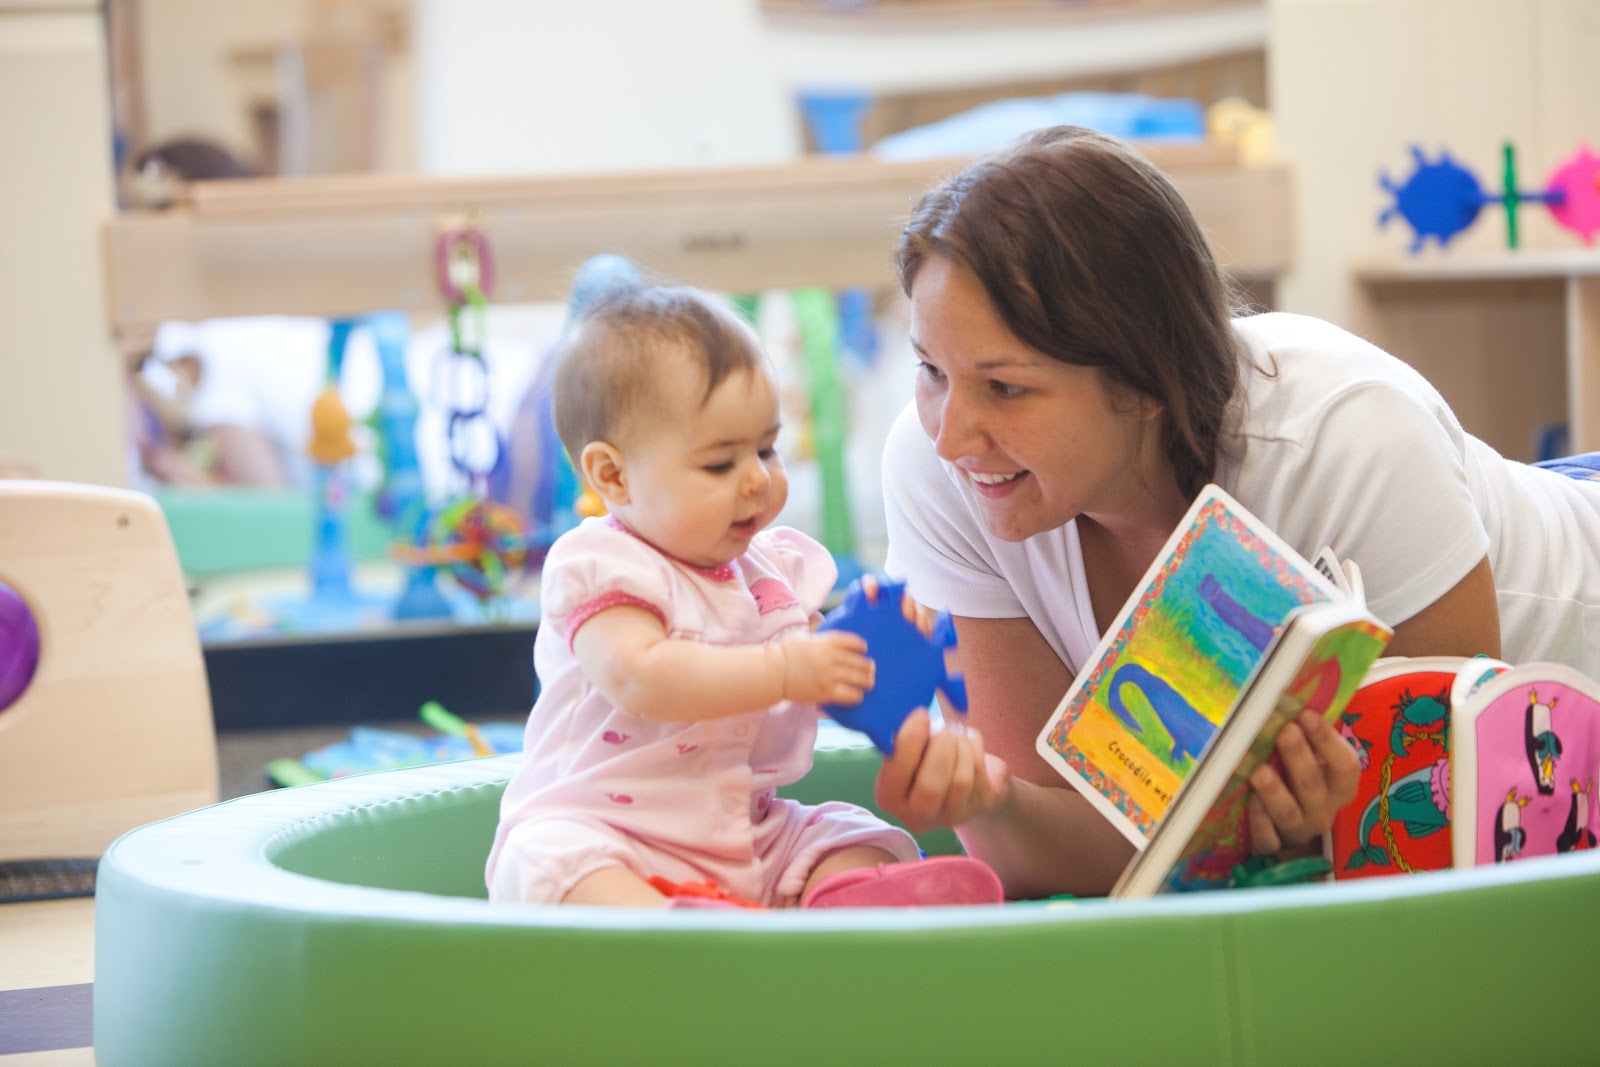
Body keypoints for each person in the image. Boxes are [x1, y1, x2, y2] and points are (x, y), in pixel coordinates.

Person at [870, 125, 1600, 901]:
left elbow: (1442, 840)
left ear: (1146, 379)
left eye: (1006, 387)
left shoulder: (1347, 437)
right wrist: (990, 800)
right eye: (929, 370)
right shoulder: (936, 467)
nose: (951, 435)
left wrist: (1288, 841)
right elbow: (1070, 853)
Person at [484, 284, 1000, 908]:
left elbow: (813, 685)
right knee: (547, 863)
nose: (757, 478)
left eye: (766, 448)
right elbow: (640, 677)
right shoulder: (601, 565)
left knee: (853, 833)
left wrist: (868, 649)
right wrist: (786, 669)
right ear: (613, 475)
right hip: (612, 833)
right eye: (720, 465)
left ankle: (839, 905)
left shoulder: (772, 571)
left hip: (747, 833)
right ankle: (679, 934)